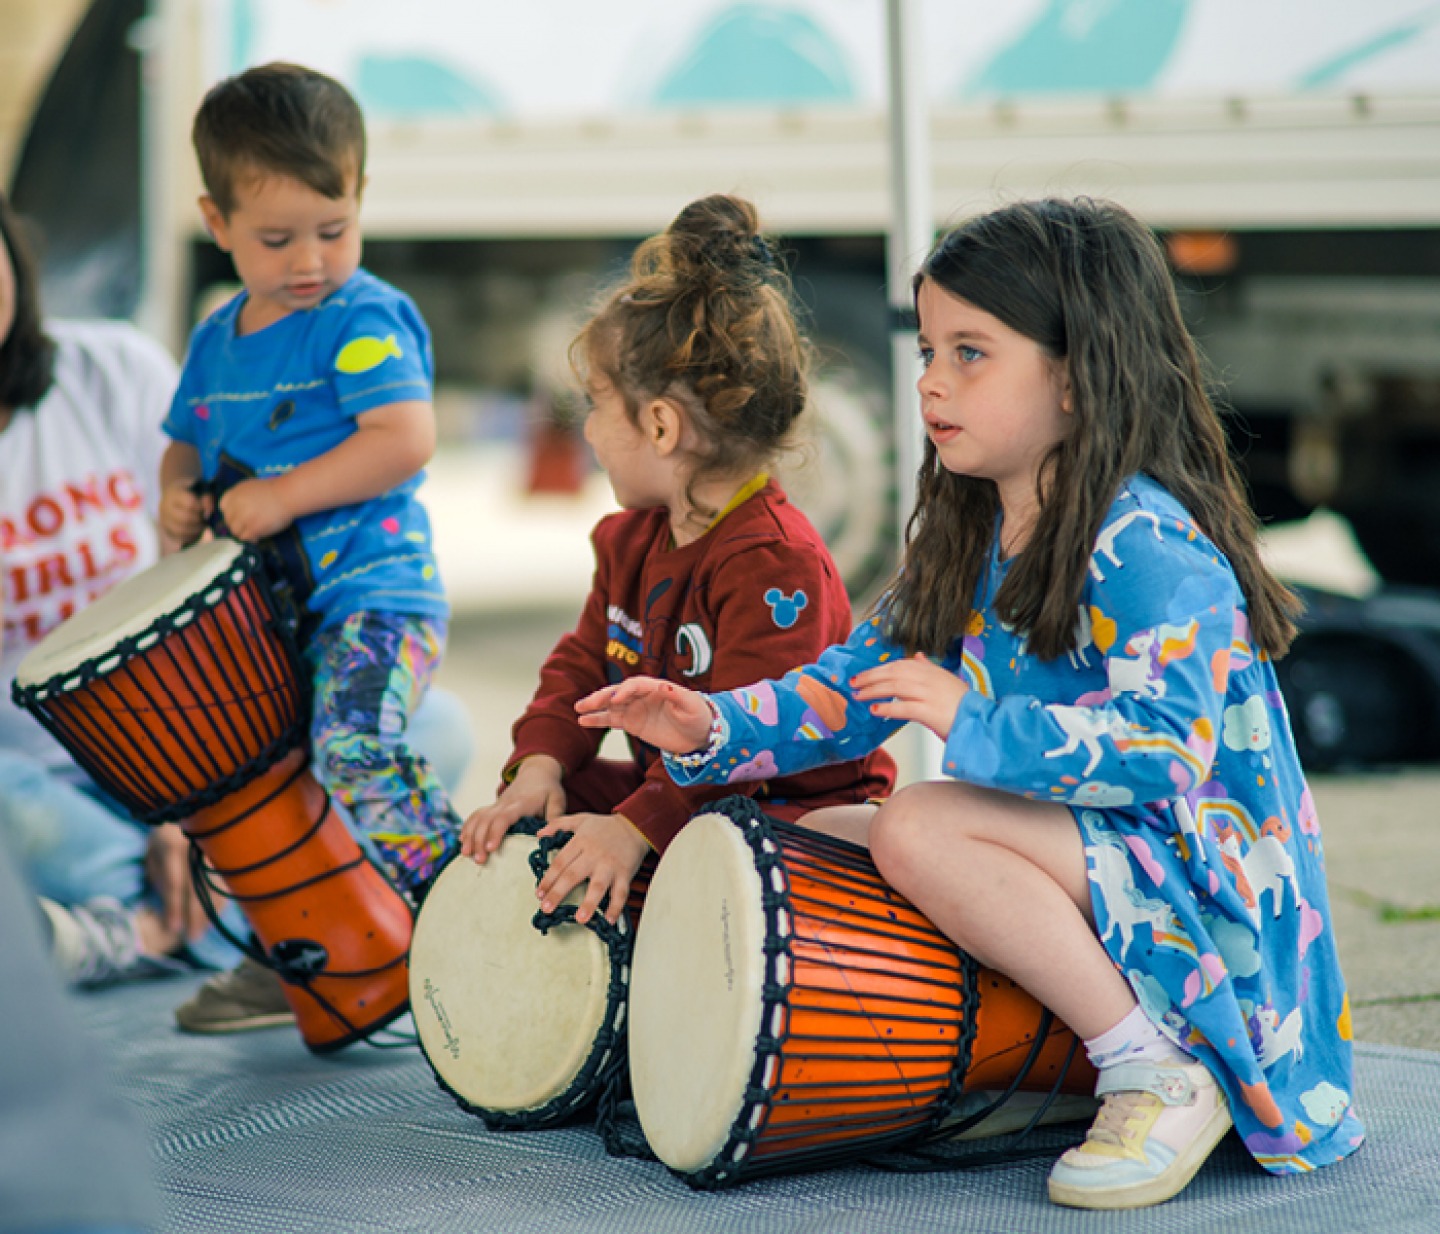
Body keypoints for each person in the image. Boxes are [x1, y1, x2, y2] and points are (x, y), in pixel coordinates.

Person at [575, 197, 1365, 1208]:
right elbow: (850, 686)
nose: (931, 382)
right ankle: (1048, 1058)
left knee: (920, 824)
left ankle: (1155, 1065)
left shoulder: (1150, 548)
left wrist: (971, 720)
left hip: (1212, 898)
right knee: (833, 824)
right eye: (929, 350)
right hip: (1114, 862)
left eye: (971, 353)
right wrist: (712, 724)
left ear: (1079, 376)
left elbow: (1164, 755)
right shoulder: (972, 533)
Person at [460, 194, 895, 925]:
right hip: (687, 801)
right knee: (527, 827)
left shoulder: (776, 567)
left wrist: (634, 828)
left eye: (595, 405)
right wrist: (538, 765)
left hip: (792, 824)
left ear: (660, 425)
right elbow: (580, 666)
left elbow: (747, 753)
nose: (589, 431)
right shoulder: (630, 538)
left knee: (657, 836)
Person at [156, 62, 464, 1031]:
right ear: (217, 224)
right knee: (255, 782)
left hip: (376, 596)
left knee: (355, 747)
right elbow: (183, 440)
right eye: (275, 238)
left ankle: (470, 911)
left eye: (332, 231)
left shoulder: (362, 315)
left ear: (360, 200)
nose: (309, 261)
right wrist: (175, 497)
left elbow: (403, 437)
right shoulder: (216, 340)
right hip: (273, 620)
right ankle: (297, 952)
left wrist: (284, 495)